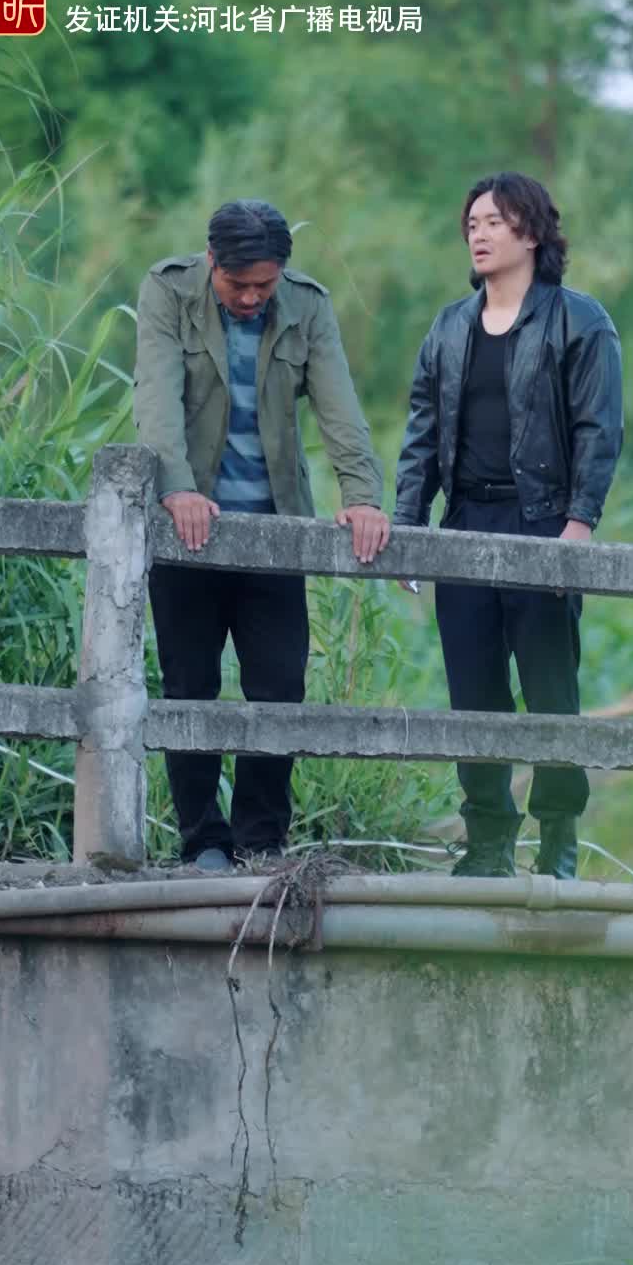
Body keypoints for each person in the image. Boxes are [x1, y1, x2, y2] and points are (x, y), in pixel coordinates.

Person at [134, 198, 389, 872]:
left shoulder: (307, 306)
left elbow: (341, 409)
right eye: (238, 284)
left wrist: (362, 498)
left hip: (276, 531)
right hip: (188, 531)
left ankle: (261, 844)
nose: (251, 297)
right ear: (211, 261)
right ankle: (202, 843)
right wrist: (177, 489)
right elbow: (155, 401)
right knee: (189, 684)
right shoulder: (168, 292)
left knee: (279, 687)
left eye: (264, 285)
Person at [394, 171, 623, 879]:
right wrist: (409, 522)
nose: (480, 233)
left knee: (552, 691)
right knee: (474, 692)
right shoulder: (449, 326)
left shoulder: (579, 320)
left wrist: (580, 522)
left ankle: (558, 841)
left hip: (542, 522)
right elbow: (422, 430)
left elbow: (599, 427)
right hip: (465, 521)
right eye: (472, 224)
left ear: (531, 232)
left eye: (494, 221)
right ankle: (488, 843)